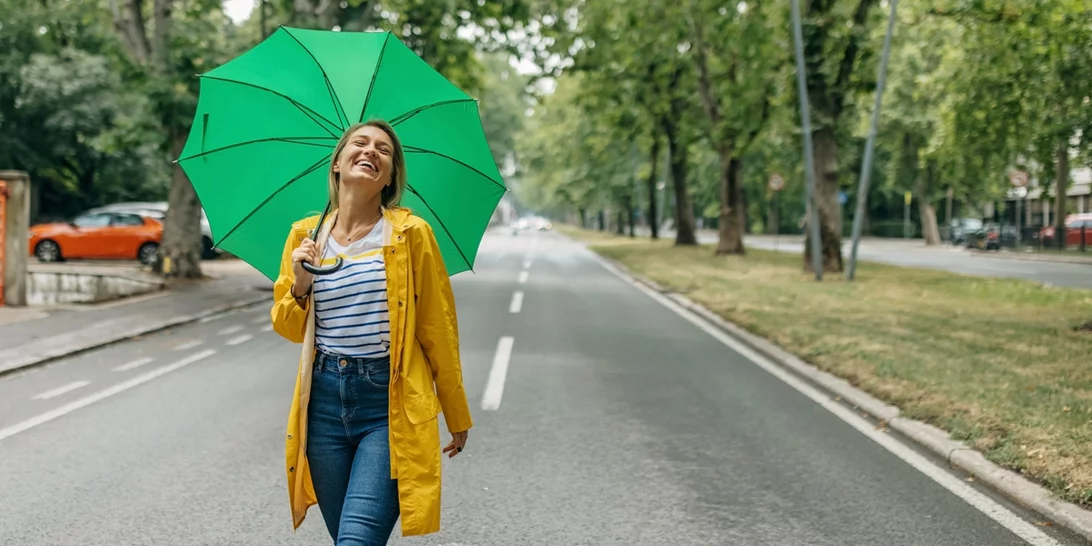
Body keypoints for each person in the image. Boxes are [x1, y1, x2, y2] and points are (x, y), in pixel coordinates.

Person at [270, 120, 473, 545]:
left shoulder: (411, 234)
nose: (371, 151)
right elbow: (287, 327)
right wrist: (300, 283)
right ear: (338, 164)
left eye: (383, 150)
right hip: (322, 402)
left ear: (390, 176)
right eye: (359, 144)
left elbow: (439, 328)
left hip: (388, 401)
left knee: (356, 540)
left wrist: (455, 413)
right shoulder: (304, 237)